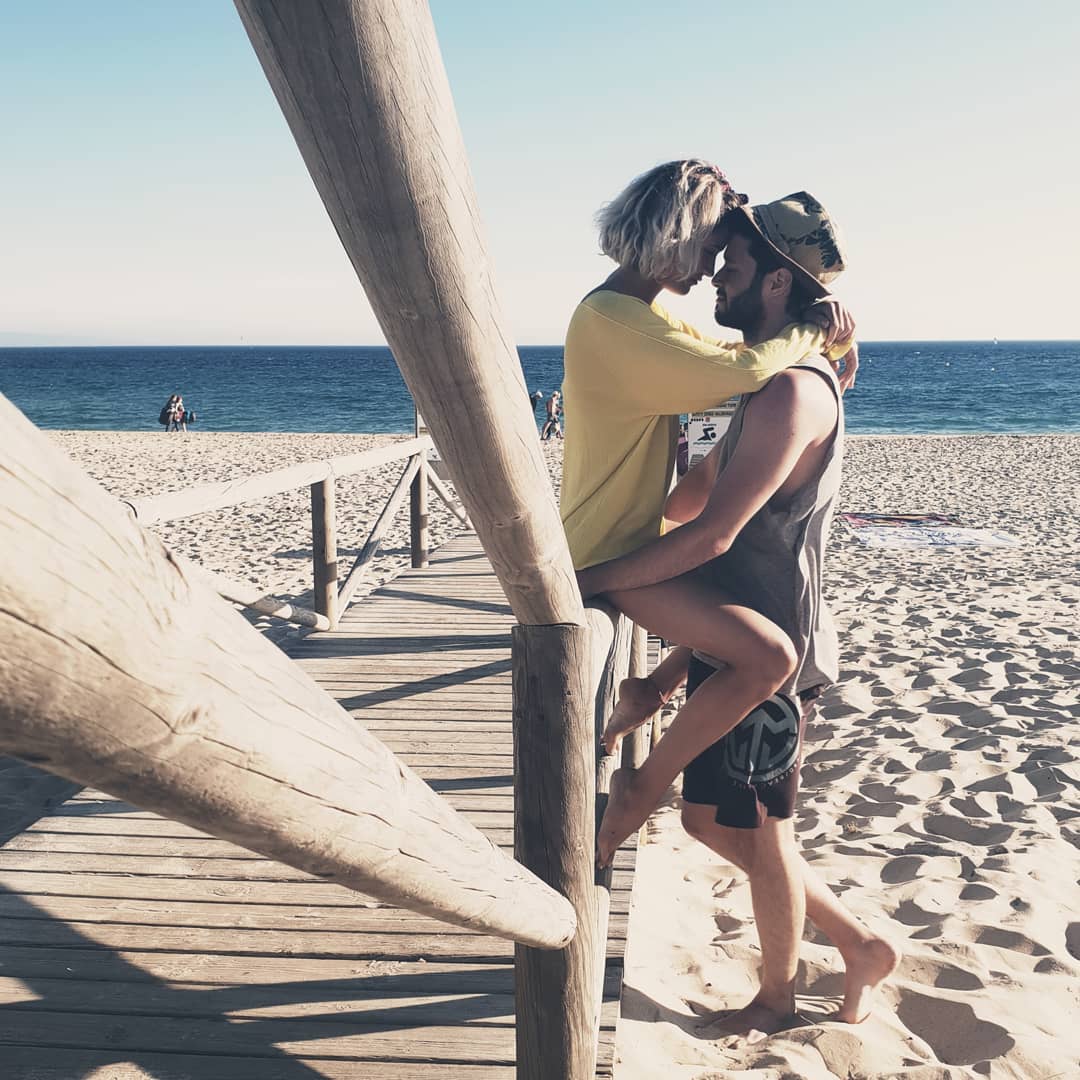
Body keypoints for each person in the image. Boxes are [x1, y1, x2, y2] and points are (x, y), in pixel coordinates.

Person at [579, 192, 895, 1040]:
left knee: (765, 836)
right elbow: (688, 504)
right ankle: (859, 945)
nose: (718, 273)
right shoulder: (769, 386)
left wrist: (590, 578)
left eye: (736, 263)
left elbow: (712, 533)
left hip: (775, 651)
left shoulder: (791, 393)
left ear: (777, 285)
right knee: (711, 822)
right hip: (739, 632)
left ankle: (778, 998)